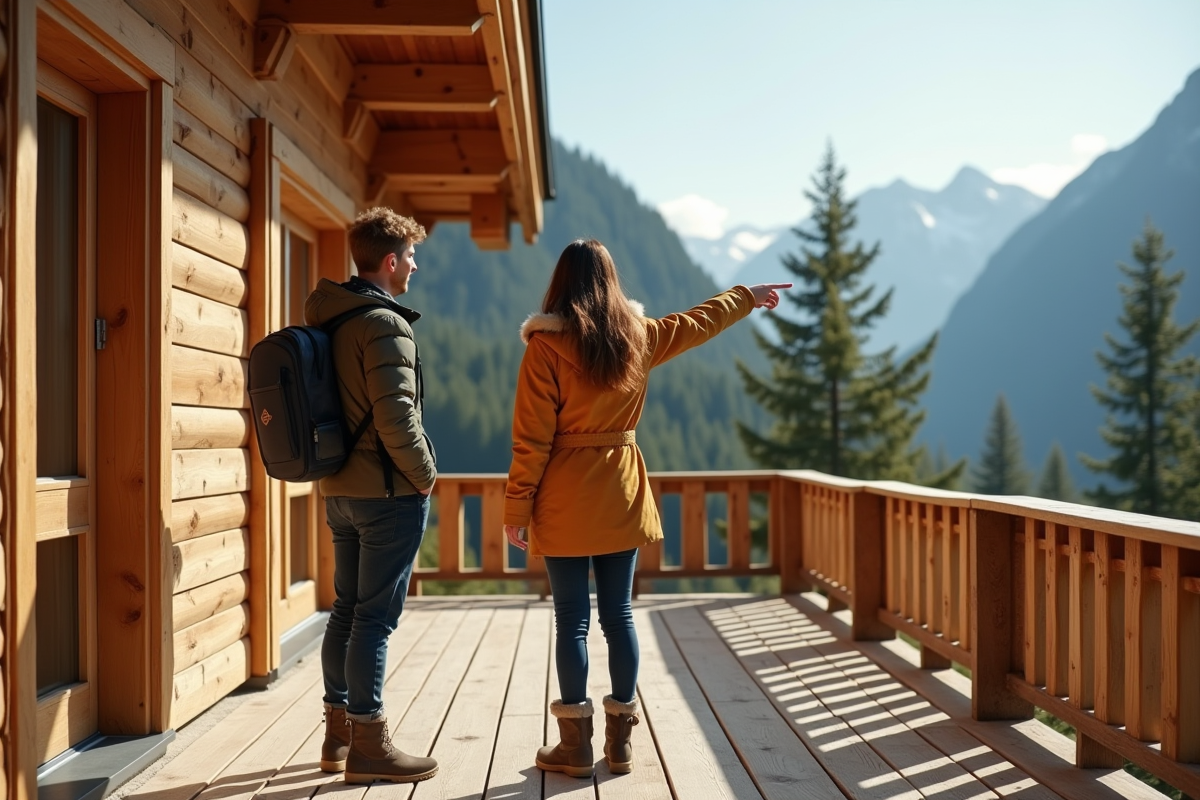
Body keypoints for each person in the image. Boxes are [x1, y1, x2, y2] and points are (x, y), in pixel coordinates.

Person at [503, 238, 788, 778]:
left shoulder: (543, 348)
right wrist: (746, 296)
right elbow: (698, 322)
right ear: (611, 282)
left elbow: (531, 439)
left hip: (563, 496)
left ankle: (575, 747)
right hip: (622, 490)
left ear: (560, 283)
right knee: (619, 616)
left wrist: (517, 509)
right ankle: (621, 744)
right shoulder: (639, 337)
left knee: (572, 620)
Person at [303, 207, 438, 785]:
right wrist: (425, 475)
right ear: (389, 260)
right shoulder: (384, 324)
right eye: (410, 256)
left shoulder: (332, 317)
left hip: (340, 490)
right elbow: (396, 415)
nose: (414, 266)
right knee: (374, 620)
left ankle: (338, 735)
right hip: (387, 493)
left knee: (348, 609)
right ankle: (369, 744)